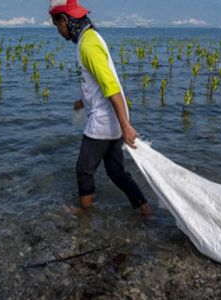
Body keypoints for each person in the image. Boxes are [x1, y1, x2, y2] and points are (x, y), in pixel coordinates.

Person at [49, 0, 152, 215]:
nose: (58, 31)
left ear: (65, 20)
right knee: (116, 171)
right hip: (112, 116)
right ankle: (145, 210)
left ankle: (84, 214)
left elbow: (111, 86)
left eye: (57, 25)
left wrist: (126, 126)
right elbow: (96, 84)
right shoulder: (89, 38)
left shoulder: (88, 44)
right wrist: (83, 101)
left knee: (84, 169)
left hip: (105, 119)